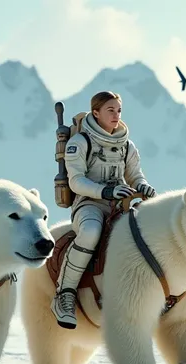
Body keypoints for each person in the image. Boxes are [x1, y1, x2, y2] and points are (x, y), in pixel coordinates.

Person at [52, 91, 156, 329]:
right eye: (110, 110)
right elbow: (76, 181)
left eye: (119, 110)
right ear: (95, 112)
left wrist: (142, 187)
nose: (116, 115)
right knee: (90, 233)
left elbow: (135, 176)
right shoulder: (80, 143)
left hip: (122, 203)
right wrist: (104, 192)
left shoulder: (127, 145)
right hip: (89, 204)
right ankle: (64, 294)